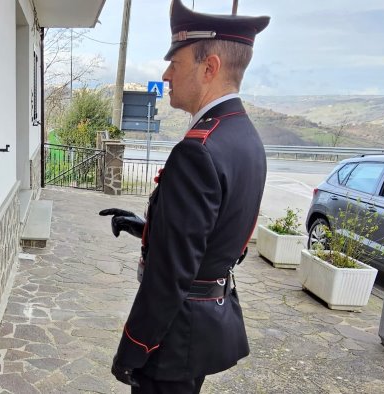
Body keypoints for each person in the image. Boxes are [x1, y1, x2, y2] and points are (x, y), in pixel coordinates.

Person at [100, 1, 270, 392]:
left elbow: (171, 274)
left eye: (175, 63)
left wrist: (133, 348)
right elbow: (223, 237)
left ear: (209, 67)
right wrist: (151, 227)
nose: (166, 74)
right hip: (202, 325)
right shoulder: (246, 138)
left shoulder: (199, 149)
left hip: (172, 337)